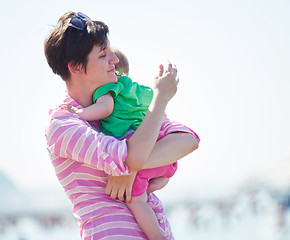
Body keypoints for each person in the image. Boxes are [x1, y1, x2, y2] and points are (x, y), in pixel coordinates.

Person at [44, 11, 199, 240]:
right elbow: (129, 159)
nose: (114, 60)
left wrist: (132, 169)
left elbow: (188, 140)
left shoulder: (121, 107)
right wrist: (160, 98)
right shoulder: (63, 124)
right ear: (76, 68)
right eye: (103, 54)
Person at [62, 47, 184, 239]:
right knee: (146, 189)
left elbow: (105, 108)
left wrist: (79, 113)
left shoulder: (109, 89)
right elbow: (175, 132)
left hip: (135, 152)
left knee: (137, 202)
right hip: (161, 157)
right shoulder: (143, 93)